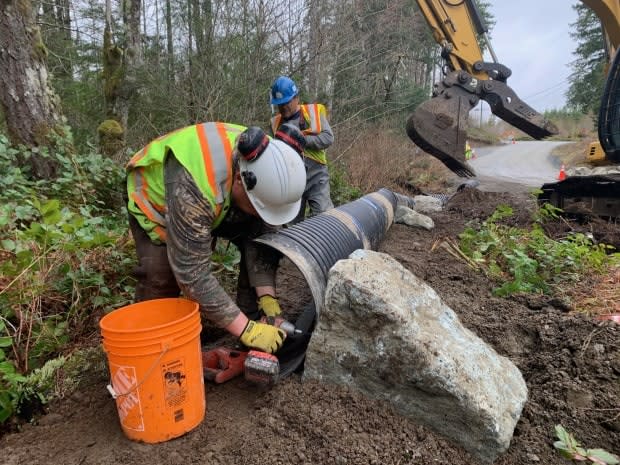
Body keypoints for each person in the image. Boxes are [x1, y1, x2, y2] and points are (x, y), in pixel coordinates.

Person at [125, 122, 306, 354]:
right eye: (259, 207)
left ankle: (254, 320)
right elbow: (192, 273)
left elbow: (261, 238)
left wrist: (268, 300)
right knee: (160, 278)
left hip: (219, 199)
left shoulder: (264, 162)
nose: (262, 215)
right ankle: (147, 349)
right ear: (240, 179)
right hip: (157, 198)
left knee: (260, 236)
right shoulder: (196, 184)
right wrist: (246, 330)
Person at [269, 76, 334, 222]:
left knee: (323, 217)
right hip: (291, 180)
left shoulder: (313, 113)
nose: (283, 107)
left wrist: (303, 140)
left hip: (316, 176)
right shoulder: (275, 123)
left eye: (286, 103)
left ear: (296, 98)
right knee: (291, 224)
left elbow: (328, 138)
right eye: (279, 104)